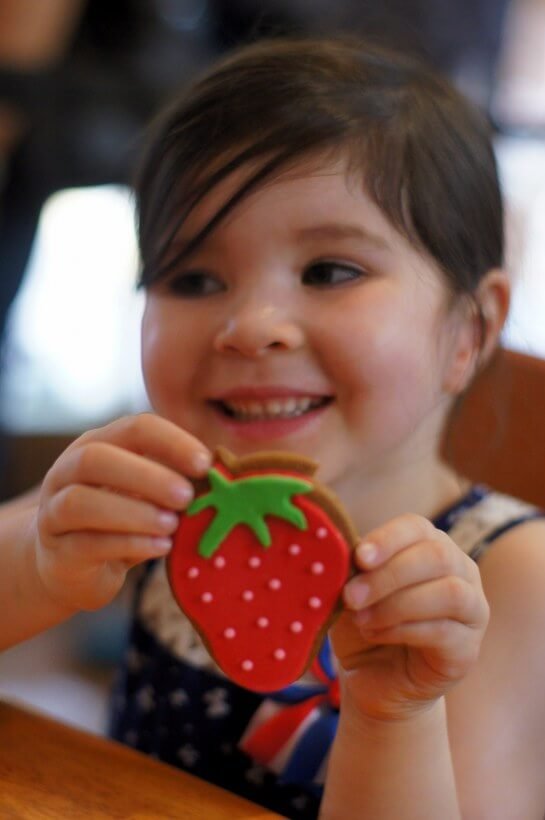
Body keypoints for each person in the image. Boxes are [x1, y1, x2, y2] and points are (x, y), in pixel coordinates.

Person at [1, 36, 545, 819]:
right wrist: (39, 562)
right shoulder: (169, 496)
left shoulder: (507, 578)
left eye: (329, 271)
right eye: (193, 278)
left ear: (469, 330)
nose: (250, 326)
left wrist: (396, 715)